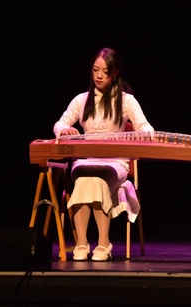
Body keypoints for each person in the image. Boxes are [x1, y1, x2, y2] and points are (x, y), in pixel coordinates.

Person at [53, 47, 154, 261]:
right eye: (95, 70)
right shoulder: (81, 100)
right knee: (82, 180)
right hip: (87, 160)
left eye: (105, 71)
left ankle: (103, 242)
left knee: (98, 179)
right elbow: (60, 122)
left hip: (115, 162)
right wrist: (64, 130)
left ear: (115, 73)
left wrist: (143, 135)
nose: (99, 75)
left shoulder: (126, 100)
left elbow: (145, 127)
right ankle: (81, 243)